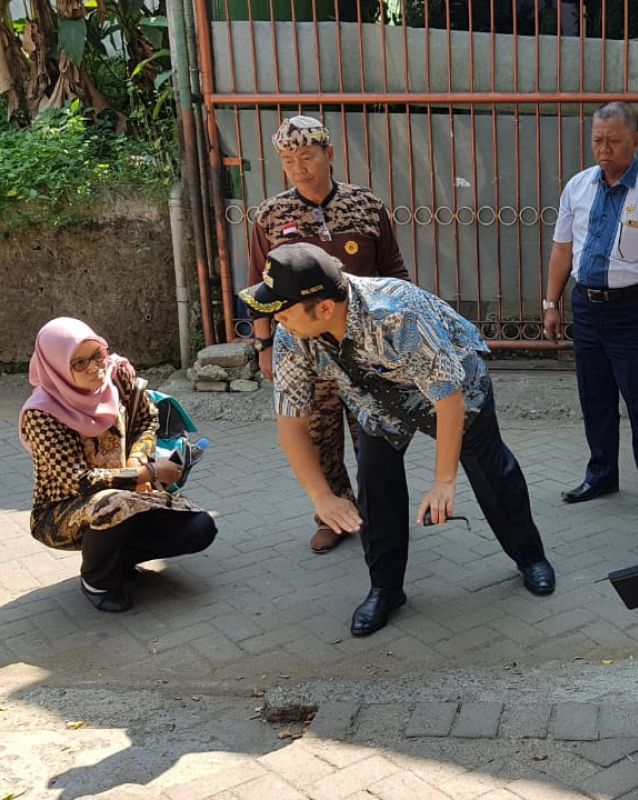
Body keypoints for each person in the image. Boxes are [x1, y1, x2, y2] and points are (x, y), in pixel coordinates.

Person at [241, 243, 556, 637]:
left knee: (492, 472)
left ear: (323, 307)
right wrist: (321, 496)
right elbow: (291, 424)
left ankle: (530, 557)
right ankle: (385, 589)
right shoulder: (293, 334)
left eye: (283, 312)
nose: (278, 322)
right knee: (376, 484)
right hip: (376, 399)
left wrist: (444, 481)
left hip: (453, 386)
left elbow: (448, 399)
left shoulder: (395, 312)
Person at [248, 115, 410, 555]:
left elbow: (394, 270)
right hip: (304, 351)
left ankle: (378, 514)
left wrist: (398, 333)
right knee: (319, 437)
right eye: (287, 159)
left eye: (307, 156)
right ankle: (331, 514)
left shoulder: (366, 205)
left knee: (373, 435)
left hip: (366, 349)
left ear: (330, 154)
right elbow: (258, 286)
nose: (299, 167)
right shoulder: (270, 214)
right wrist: (264, 346)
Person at [543, 102, 638, 527]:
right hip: (586, 307)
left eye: (613, 141)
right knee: (595, 398)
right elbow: (562, 248)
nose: (603, 149)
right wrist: (551, 303)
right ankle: (601, 475)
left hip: (635, 312)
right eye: (597, 140)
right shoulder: (578, 186)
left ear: (636, 140)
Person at [19, 318, 218, 613]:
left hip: (129, 495)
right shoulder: (42, 413)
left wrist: (139, 458)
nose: (95, 367)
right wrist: (146, 472)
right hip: (62, 512)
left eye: (97, 355)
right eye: (79, 363)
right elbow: (77, 480)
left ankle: (117, 557)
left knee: (200, 528)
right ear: (57, 367)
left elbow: (146, 419)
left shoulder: (117, 375)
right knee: (113, 503)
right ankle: (97, 580)